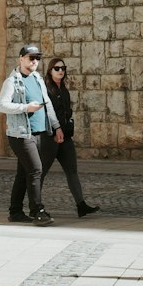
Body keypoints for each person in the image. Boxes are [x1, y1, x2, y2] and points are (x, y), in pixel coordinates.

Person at [0, 44, 62, 225]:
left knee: (23, 173)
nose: (34, 61)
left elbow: (47, 103)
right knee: (35, 170)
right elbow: (1, 105)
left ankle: (15, 212)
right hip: (21, 135)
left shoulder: (37, 79)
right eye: (31, 57)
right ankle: (38, 211)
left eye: (37, 58)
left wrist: (56, 127)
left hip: (41, 133)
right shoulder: (12, 81)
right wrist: (26, 108)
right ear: (21, 59)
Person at [42, 58, 100, 218]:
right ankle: (36, 207)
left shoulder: (63, 89)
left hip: (65, 136)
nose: (61, 71)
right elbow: (46, 113)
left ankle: (81, 205)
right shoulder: (46, 90)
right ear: (50, 70)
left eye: (63, 68)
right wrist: (55, 130)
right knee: (41, 172)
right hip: (50, 137)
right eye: (57, 68)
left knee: (72, 170)